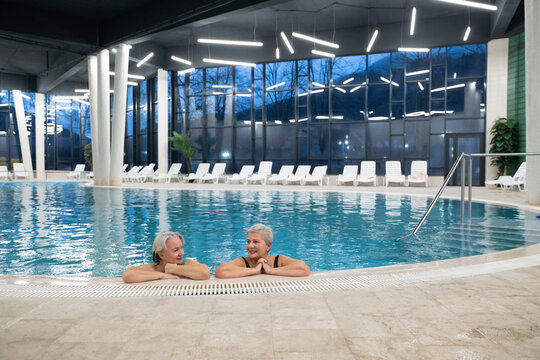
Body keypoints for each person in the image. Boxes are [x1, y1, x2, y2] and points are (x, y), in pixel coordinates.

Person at [215, 224, 310, 278]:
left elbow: (303, 269)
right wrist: (255, 270)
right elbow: (221, 271)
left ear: (268, 246)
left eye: (255, 242)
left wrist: (271, 270)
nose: (250, 246)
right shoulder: (243, 262)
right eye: (248, 242)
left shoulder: (279, 260)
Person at [122, 231, 210, 283]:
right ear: (161, 255)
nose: (181, 253)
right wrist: (162, 275)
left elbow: (205, 273)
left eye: (181, 248)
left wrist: (175, 269)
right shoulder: (152, 268)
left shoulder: (187, 263)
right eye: (176, 250)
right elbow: (127, 275)